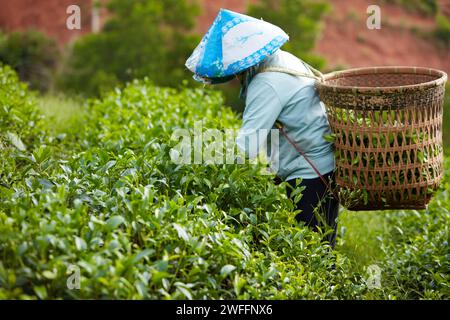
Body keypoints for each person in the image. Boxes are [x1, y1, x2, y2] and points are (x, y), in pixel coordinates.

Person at [186, 9, 339, 247]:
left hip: (309, 174)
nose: (235, 75)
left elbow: (247, 147)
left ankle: (330, 282)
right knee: (322, 240)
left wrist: (207, 173)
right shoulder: (284, 60)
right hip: (322, 166)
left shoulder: (266, 83)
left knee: (313, 249)